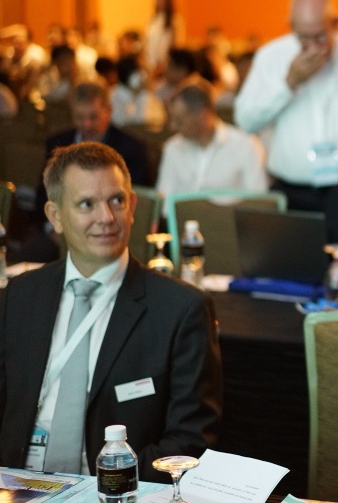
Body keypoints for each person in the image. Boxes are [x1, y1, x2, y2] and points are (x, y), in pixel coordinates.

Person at [0, 142, 222, 481]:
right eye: (87, 204)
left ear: (132, 206)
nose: (106, 218)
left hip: (120, 492)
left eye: (116, 201)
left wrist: (112, 484)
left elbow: (189, 441)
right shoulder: (19, 297)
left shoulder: (180, 309)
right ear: (55, 216)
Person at [235, 0, 338, 243]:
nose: (312, 46)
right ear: (291, 27)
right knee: (294, 263)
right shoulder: (270, 57)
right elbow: (245, 120)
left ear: (335, 24)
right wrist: (288, 84)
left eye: (320, 36)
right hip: (290, 191)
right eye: (303, 37)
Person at [156, 81, 268, 205]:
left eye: (179, 121)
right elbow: (164, 200)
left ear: (202, 116)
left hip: (227, 216)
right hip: (180, 217)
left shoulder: (245, 145)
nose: (172, 126)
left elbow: (258, 201)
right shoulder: (173, 147)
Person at [146, 0, 185, 78]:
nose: (159, 2)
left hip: (166, 63)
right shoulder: (153, 20)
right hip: (151, 64)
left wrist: (165, 62)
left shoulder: (174, 19)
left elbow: (176, 44)